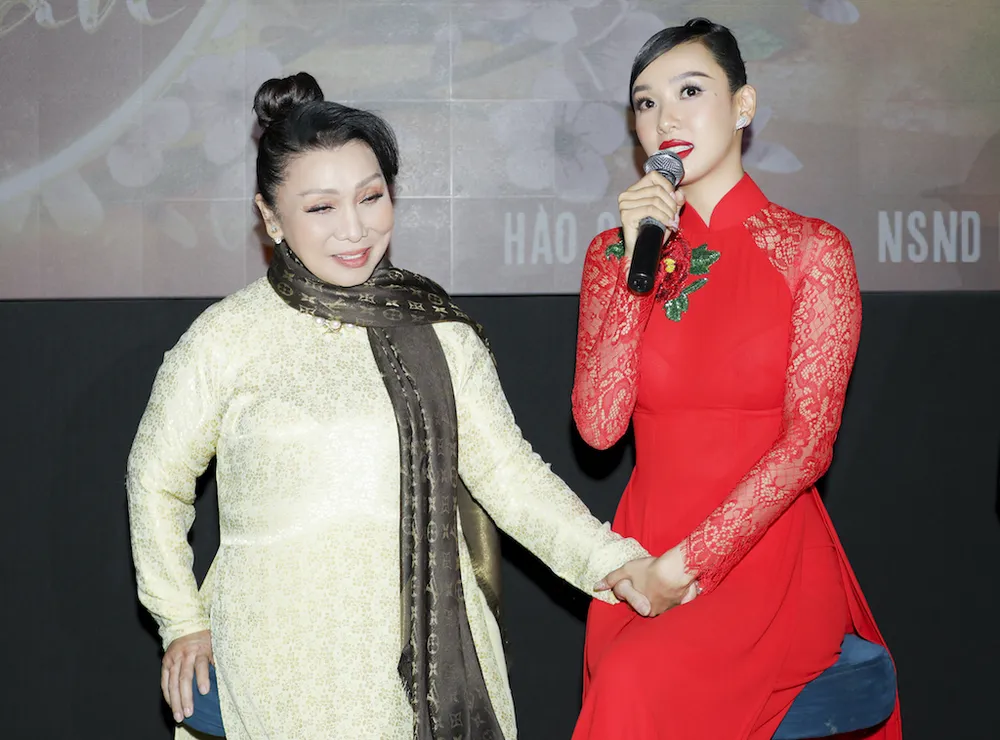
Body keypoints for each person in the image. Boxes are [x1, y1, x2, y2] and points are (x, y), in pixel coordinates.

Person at [126, 71, 652, 740]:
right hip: (275, 656)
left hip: (422, 657)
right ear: (270, 217)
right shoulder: (226, 337)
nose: (354, 229)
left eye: (370, 197)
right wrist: (181, 620)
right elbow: (155, 479)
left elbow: (509, 477)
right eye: (321, 208)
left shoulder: (438, 330)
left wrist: (612, 561)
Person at [569, 18, 902, 739]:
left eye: (690, 91)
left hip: (765, 556)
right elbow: (598, 428)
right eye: (647, 102)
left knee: (632, 686)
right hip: (643, 544)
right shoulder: (611, 256)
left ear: (743, 106)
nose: (666, 118)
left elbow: (808, 444)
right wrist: (632, 266)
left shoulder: (814, 251)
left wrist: (688, 566)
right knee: (625, 679)